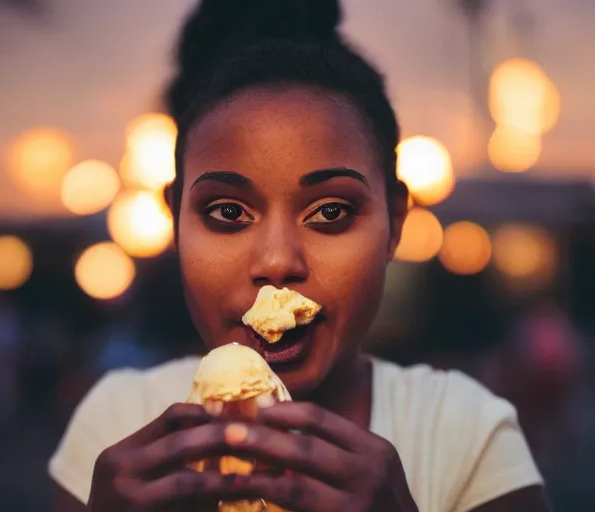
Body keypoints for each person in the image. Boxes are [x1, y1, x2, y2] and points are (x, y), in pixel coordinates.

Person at [49, 1, 548, 510]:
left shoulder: (465, 434)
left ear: (396, 221)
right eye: (226, 213)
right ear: (175, 220)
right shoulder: (115, 427)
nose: (277, 262)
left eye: (330, 212)